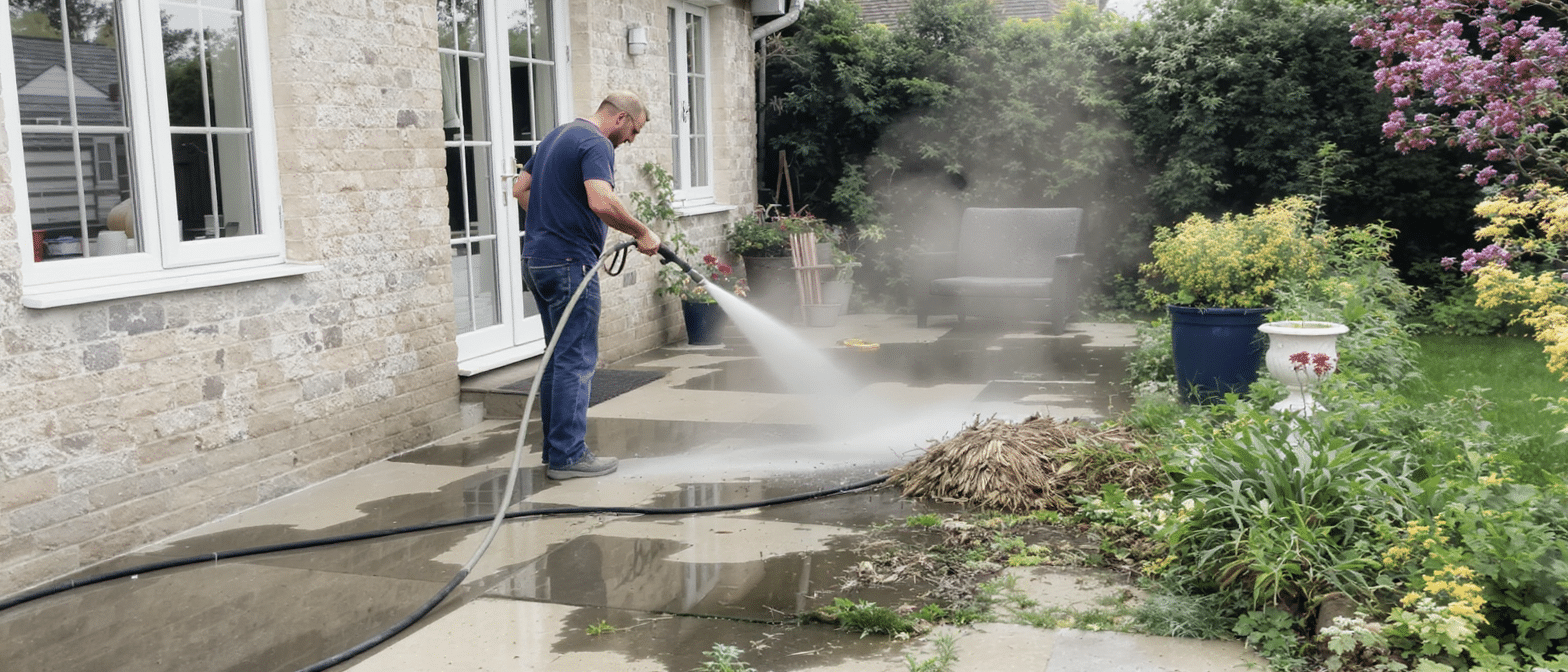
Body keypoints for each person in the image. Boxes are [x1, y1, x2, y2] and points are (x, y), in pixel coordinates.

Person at [513, 91, 662, 480]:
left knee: (557, 358)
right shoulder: (596, 143)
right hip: (568, 265)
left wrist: (553, 218)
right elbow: (600, 199)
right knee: (575, 360)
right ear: (621, 118)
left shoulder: (557, 136)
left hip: (537, 261)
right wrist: (641, 230)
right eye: (635, 130)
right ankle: (568, 456)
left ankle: (555, 451)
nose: (631, 140)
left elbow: (520, 189)